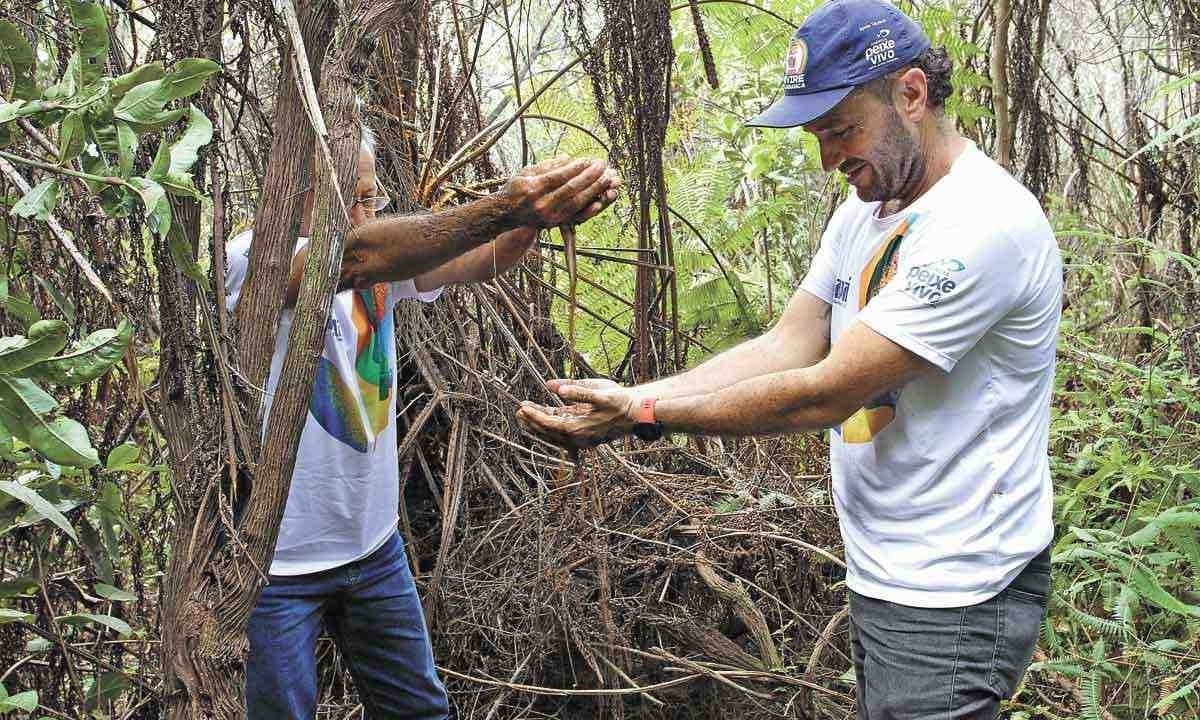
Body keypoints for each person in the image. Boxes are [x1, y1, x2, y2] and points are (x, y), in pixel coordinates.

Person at [516, 0, 1061, 717]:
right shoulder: (869, 207)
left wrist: (643, 415)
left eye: (840, 129)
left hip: (955, 592)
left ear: (913, 94)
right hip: (890, 572)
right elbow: (788, 344)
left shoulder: (981, 225)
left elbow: (824, 392)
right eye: (817, 135)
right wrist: (634, 392)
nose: (829, 158)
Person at [225, 123, 621, 718]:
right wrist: (506, 204)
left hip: (373, 546)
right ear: (304, 194)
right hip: (279, 564)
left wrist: (535, 214)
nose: (366, 210)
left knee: (419, 712)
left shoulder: (382, 254)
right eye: (352, 198)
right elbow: (353, 259)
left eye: (370, 197)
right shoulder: (250, 261)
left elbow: (481, 259)